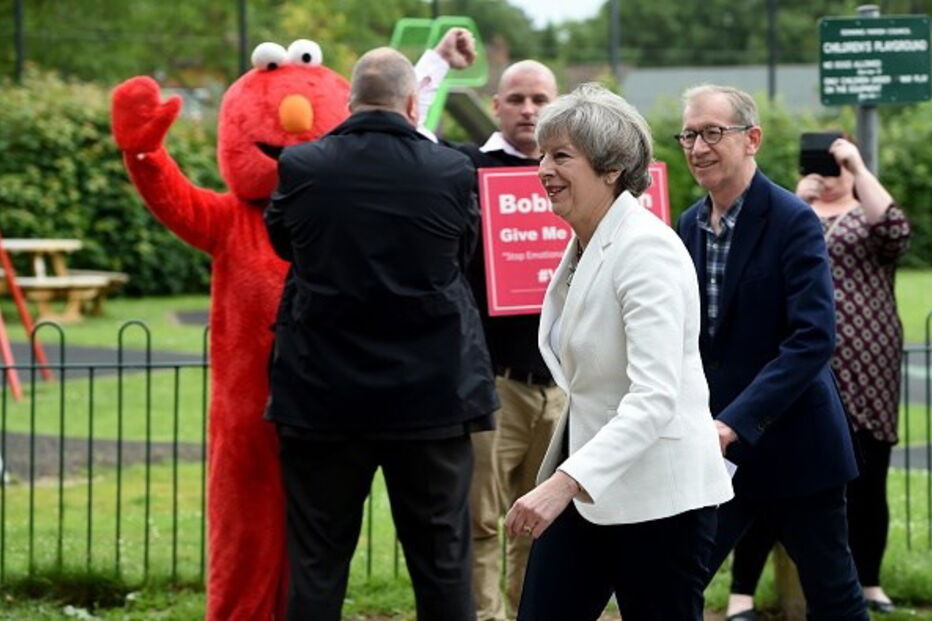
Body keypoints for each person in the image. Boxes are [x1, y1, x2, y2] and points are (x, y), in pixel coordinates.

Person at [263, 47, 499, 621]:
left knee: (318, 561)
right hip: (432, 397)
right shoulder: (450, 170)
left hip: (323, 393)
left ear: (348, 102)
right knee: (443, 559)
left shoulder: (302, 166)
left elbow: (282, 244)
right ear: (413, 103)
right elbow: (461, 254)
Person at [504, 83, 733, 621]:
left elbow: (655, 397)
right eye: (542, 154)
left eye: (562, 156)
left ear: (610, 168)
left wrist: (561, 483)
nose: (543, 169)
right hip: (591, 486)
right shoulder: (586, 243)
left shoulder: (646, 249)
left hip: (660, 498)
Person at [673, 84, 869, 619]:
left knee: (833, 596)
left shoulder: (793, 220)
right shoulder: (686, 227)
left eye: (713, 132)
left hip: (797, 449)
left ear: (752, 138)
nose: (697, 147)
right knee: (673, 585)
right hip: (717, 455)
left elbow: (812, 339)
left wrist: (735, 421)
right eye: (689, 134)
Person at [725, 134, 911, 618]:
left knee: (865, 482)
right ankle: (742, 590)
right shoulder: (791, 213)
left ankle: (869, 582)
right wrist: (801, 195)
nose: (828, 173)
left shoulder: (865, 212)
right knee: (766, 482)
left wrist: (857, 165)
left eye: (836, 164)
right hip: (792, 371)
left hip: (864, 367)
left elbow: (896, 232)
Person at [418, 46, 564, 621]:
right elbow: (406, 123)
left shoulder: (578, 174)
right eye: (518, 100)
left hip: (562, 386)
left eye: (541, 100)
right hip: (491, 384)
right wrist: (437, 60)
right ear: (497, 106)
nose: (529, 110)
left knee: (543, 525)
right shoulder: (465, 167)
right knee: (479, 522)